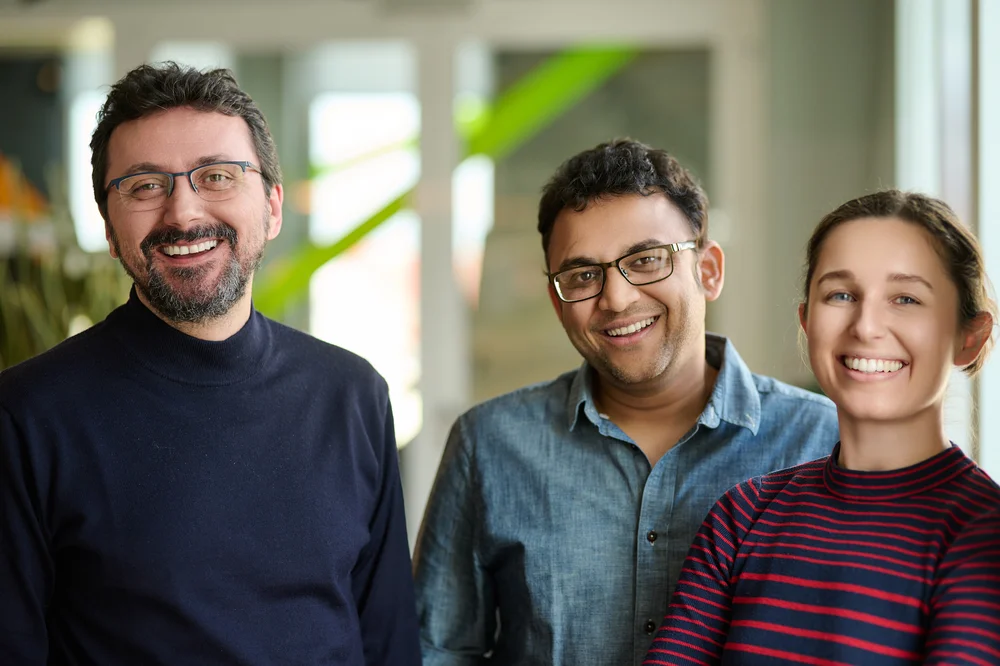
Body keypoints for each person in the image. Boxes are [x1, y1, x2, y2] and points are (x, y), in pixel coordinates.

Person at [0, 62, 420, 665]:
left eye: (217, 176)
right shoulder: (27, 416)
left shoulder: (352, 395)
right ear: (110, 230)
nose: (183, 213)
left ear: (273, 206)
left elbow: (388, 643)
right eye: (144, 186)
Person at [413, 138, 839, 665]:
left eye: (647, 260)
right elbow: (437, 651)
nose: (616, 298)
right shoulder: (489, 445)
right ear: (556, 299)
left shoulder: (826, 442)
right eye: (583, 275)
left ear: (708, 271)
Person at [643, 190, 1000, 666]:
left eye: (907, 298)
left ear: (968, 338)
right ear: (807, 322)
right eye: (842, 295)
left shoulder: (983, 539)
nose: (866, 326)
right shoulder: (741, 517)